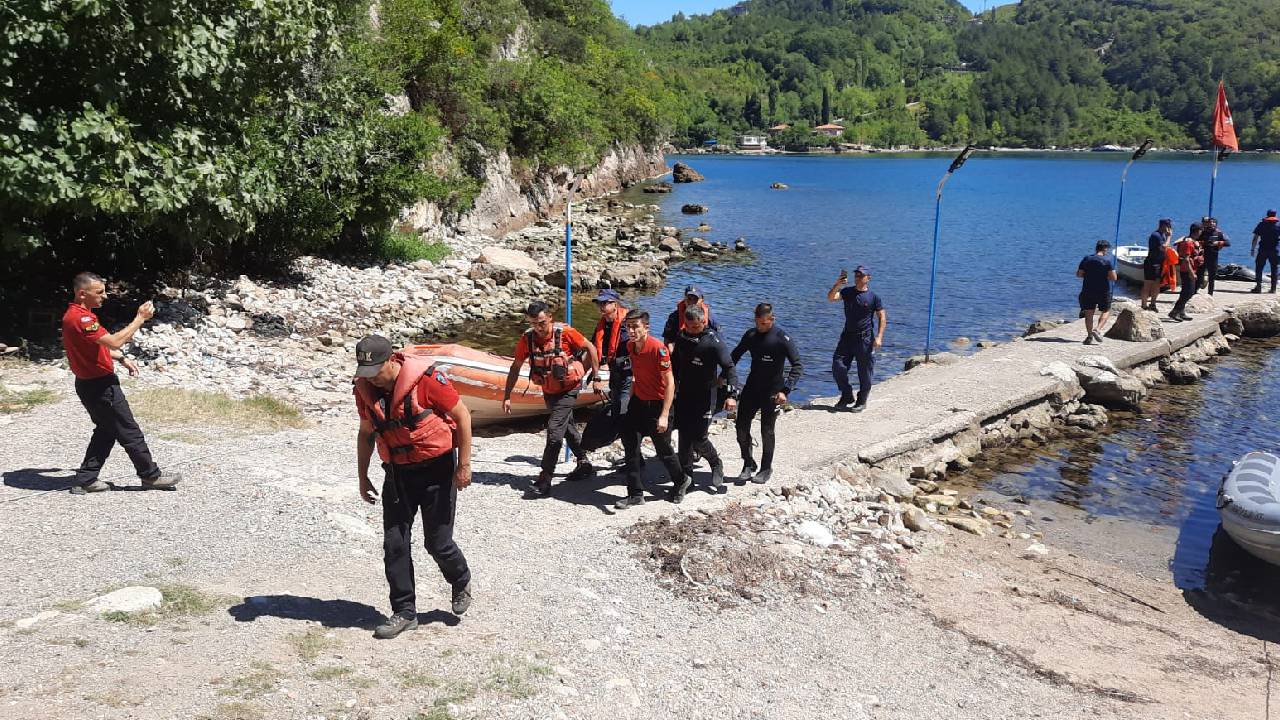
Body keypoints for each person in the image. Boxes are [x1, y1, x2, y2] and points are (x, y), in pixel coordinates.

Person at [353, 335, 473, 639]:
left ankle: (460, 579)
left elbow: (462, 415)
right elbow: (366, 432)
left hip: (437, 471)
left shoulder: (428, 381)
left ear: (392, 360)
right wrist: (362, 475)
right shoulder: (365, 390)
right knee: (394, 545)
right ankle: (404, 612)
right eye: (367, 373)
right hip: (397, 473)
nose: (373, 380)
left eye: (377, 372)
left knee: (437, 543)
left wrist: (464, 466)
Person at [62, 272, 180, 493]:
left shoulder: (76, 315)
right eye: (99, 292)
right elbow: (115, 341)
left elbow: (95, 346)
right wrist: (140, 318)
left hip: (89, 384)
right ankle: (150, 476)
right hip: (100, 386)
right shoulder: (82, 318)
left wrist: (121, 358)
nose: (104, 296)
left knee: (106, 430)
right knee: (129, 431)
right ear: (82, 293)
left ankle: (86, 479)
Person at [502, 301, 603, 498]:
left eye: (541, 323)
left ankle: (545, 478)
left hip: (569, 388)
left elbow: (590, 348)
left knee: (555, 431)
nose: (538, 328)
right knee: (566, 427)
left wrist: (596, 377)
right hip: (549, 389)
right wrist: (507, 396)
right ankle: (584, 462)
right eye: (533, 323)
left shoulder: (565, 333)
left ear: (549, 318)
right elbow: (515, 367)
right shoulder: (528, 339)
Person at [614, 309, 683, 509]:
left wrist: (663, 415)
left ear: (646, 327)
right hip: (638, 403)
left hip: (659, 405)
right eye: (629, 326)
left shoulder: (658, 349)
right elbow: (636, 374)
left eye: (636, 326)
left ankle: (681, 481)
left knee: (663, 450)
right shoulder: (630, 346)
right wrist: (630, 398)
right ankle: (635, 493)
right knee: (630, 444)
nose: (632, 330)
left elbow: (669, 383)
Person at [731, 303, 803, 485]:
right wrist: (726, 377)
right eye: (757, 322)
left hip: (773, 391)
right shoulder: (751, 335)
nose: (760, 326)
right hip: (752, 387)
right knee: (740, 427)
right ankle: (748, 463)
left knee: (767, 430)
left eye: (763, 323)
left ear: (772, 319)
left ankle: (766, 468)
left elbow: (797, 365)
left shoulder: (781, 338)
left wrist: (785, 390)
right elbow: (733, 357)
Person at [671, 304, 737, 496]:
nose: (691, 331)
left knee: (699, 438)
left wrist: (731, 395)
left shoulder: (713, 341)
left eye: (695, 327)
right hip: (684, 393)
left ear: (703, 322)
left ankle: (716, 463)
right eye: (688, 326)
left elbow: (730, 367)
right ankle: (686, 477)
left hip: (706, 395)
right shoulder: (682, 337)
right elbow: (674, 365)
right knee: (684, 437)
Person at [578, 289, 631, 455]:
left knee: (623, 416)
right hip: (614, 377)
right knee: (618, 414)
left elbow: (636, 350)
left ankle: (634, 460)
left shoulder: (628, 324)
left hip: (629, 376)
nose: (601, 306)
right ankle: (634, 458)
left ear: (615, 304)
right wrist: (588, 374)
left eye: (605, 303)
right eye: (599, 303)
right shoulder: (602, 325)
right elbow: (593, 349)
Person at [827, 265, 885, 412]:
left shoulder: (873, 297)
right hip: (847, 337)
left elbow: (882, 316)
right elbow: (831, 297)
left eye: (861, 275)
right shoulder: (847, 292)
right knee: (837, 365)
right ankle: (846, 395)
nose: (858, 278)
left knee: (864, 372)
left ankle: (862, 400)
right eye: (856, 275)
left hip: (864, 339)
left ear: (868, 278)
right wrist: (838, 284)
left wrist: (879, 337)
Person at [1076, 241, 1117, 344]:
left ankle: (1089, 336)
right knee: (1106, 310)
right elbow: (1114, 278)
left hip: (1088, 290)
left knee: (1089, 313)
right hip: (1103, 290)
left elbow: (1079, 274)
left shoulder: (1087, 259)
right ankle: (1098, 329)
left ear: (1096, 248)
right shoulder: (1107, 261)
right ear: (1105, 249)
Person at [662, 285, 719, 350]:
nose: (692, 302)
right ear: (684, 299)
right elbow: (667, 340)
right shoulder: (674, 317)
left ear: (702, 300)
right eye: (689, 299)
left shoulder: (710, 319)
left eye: (695, 299)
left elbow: (719, 341)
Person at [1170, 224, 1201, 322]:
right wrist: (1192, 273)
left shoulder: (1194, 242)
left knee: (1187, 292)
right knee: (1188, 292)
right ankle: (1174, 311)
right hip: (1187, 270)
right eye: (1200, 231)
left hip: (1192, 269)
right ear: (1197, 231)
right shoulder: (1188, 243)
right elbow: (1186, 260)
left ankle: (1181, 312)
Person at [1140, 219, 1172, 310]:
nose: (1169, 228)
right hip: (1152, 263)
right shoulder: (1156, 235)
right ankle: (1144, 305)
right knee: (1148, 284)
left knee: (1157, 284)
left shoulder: (1163, 235)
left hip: (1160, 263)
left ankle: (1153, 304)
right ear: (1163, 226)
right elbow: (1163, 247)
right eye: (1168, 226)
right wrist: (1169, 237)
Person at [1197, 216, 1230, 295]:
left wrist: (1217, 243)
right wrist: (1203, 243)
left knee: (1212, 277)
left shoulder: (1219, 233)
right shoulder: (1202, 232)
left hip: (1213, 257)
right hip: (1203, 256)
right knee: (1199, 275)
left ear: (1216, 224)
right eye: (1210, 222)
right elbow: (1196, 240)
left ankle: (1210, 294)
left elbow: (1228, 243)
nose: (1211, 224)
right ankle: (1195, 291)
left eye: (1213, 223)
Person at [1251, 209, 1280, 294]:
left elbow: (1255, 238)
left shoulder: (1262, 224)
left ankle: (1258, 287)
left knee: (1259, 268)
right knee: (1274, 269)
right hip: (1275, 250)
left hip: (1263, 250)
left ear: (1267, 214)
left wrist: (1253, 249)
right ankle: (1273, 289)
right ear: (1275, 215)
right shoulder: (1278, 225)